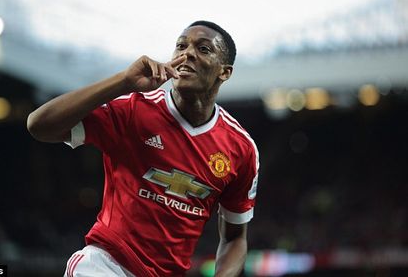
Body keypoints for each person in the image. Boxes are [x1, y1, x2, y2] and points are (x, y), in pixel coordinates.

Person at [27, 21, 260, 277]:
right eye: (181, 46)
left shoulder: (241, 148)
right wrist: (124, 81)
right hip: (105, 266)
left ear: (224, 72)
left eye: (203, 49)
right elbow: (40, 125)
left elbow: (235, 238)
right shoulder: (134, 110)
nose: (187, 53)